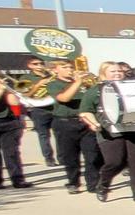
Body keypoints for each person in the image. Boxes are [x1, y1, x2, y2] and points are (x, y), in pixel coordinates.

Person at [82, 62, 135, 202]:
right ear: (103, 73)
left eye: (119, 71)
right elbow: (85, 111)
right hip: (110, 131)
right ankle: (103, 185)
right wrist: (94, 123)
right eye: (113, 71)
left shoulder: (132, 87)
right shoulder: (96, 90)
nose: (117, 73)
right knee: (115, 161)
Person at [41, 60, 98, 193]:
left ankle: (93, 183)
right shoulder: (53, 84)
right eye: (64, 67)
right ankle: (73, 182)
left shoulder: (85, 83)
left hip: (86, 121)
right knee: (70, 156)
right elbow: (64, 98)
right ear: (55, 70)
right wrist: (77, 82)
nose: (70, 69)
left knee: (93, 154)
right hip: (65, 122)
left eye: (71, 67)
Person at [20, 58, 57, 165]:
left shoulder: (51, 75)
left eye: (41, 63)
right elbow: (24, 95)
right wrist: (38, 85)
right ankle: (49, 158)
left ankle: (62, 157)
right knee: (44, 135)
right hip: (39, 108)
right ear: (29, 65)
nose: (39, 66)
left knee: (59, 134)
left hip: (55, 106)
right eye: (35, 64)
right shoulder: (25, 78)